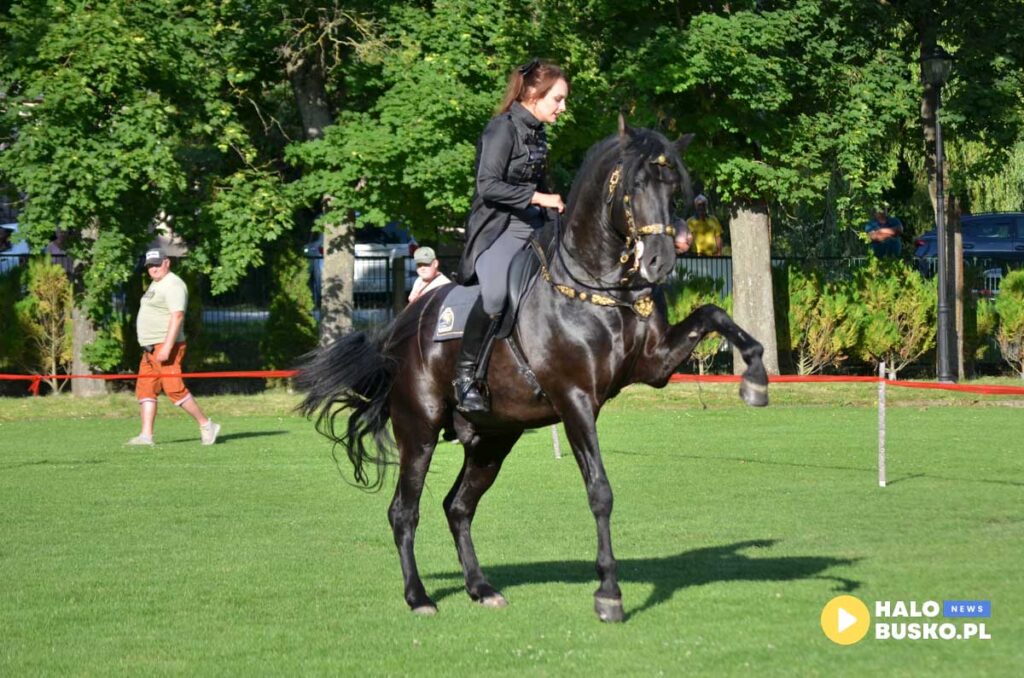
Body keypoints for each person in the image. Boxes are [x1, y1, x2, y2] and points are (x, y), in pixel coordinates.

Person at [453, 59, 569, 413]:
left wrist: (560, 207)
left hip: (536, 224)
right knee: (495, 296)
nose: (563, 108)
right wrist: (539, 198)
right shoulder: (500, 129)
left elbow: (540, 183)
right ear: (534, 94)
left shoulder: (538, 132)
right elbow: (487, 186)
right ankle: (464, 378)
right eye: (558, 100)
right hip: (498, 230)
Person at [126, 248, 220, 446]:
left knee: (174, 389)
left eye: (157, 264)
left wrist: (167, 348)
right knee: (145, 391)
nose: (154, 269)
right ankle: (146, 436)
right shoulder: (156, 283)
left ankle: (206, 425)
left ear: (167, 262)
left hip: (165, 347)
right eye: (150, 265)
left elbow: (177, 316)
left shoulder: (173, 284)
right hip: (150, 349)